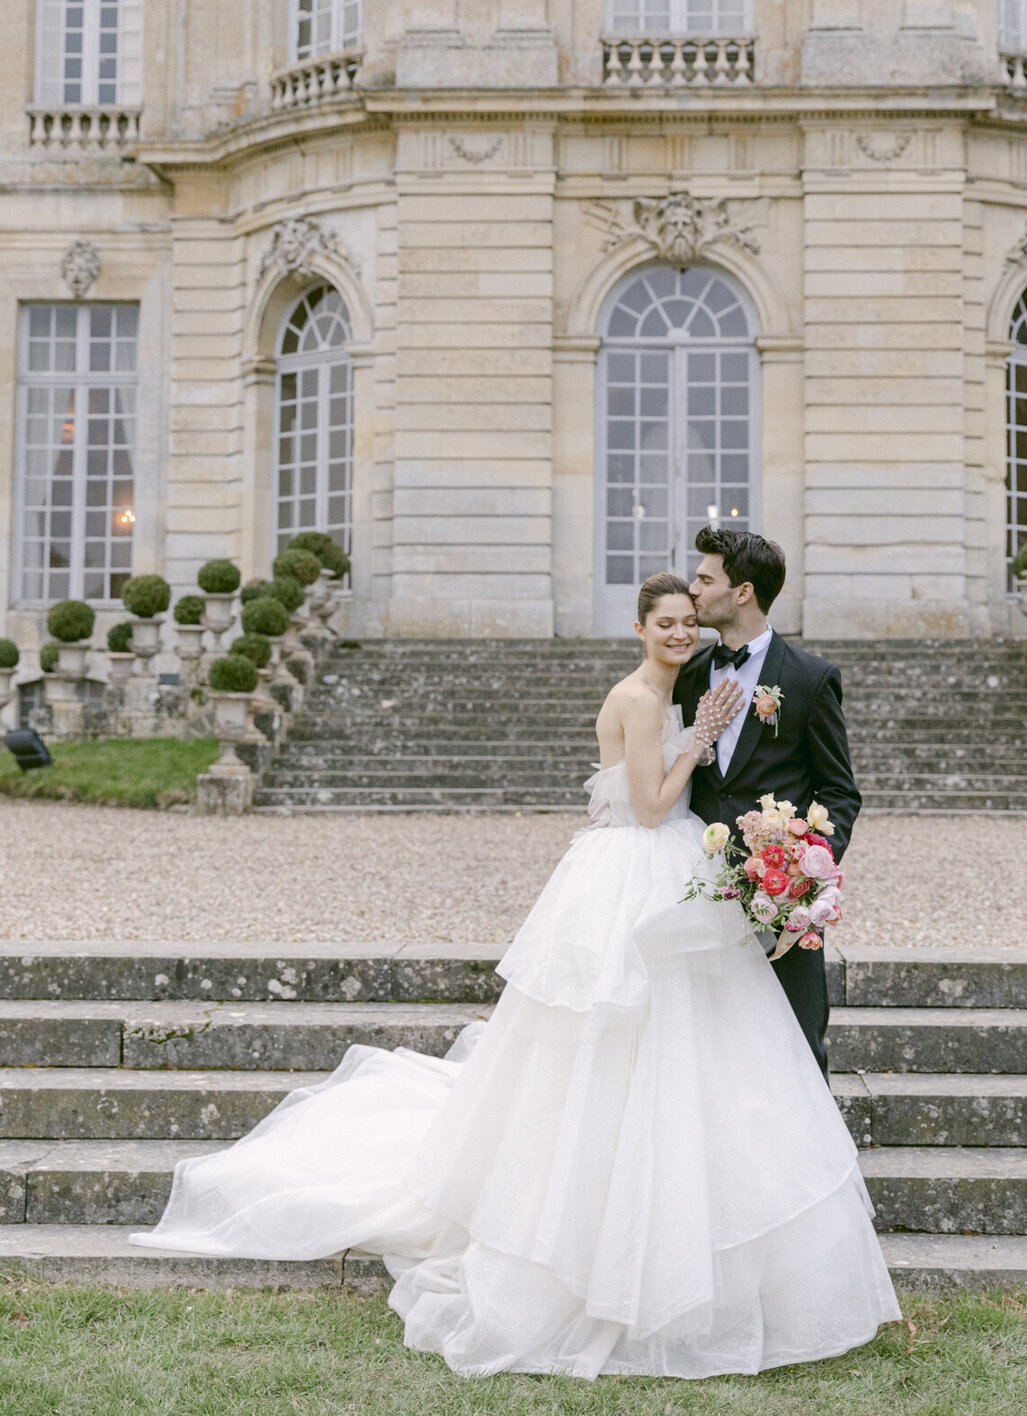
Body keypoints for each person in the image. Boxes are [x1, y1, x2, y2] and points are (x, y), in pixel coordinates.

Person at [130, 573, 898, 1377]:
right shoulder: (644, 698)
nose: (680, 631)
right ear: (639, 629)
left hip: (675, 870)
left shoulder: (702, 678)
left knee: (692, 1044)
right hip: (638, 868)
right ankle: (589, 1233)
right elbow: (647, 806)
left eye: (687, 620)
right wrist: (699, 741)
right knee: (616, 1036)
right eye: (665, 622)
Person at [676, 528, 859, 1078]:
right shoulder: (686, 677)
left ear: (742, 593)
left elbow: (839, 792)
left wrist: (807, 876)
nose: (693, 589)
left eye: (705, 579)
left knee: (797, 1042)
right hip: (696, 890)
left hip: (782, 896)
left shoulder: (809, 679)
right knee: (702, 1042)